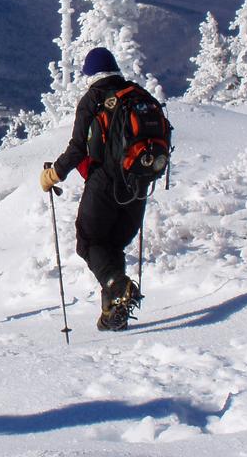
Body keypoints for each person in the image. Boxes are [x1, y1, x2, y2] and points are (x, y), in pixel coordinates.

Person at [40, 47, 148, 331]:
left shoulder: (94, 99)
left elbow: (78, 147)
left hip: (105, 183)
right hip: (137, 186)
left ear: (89, 74)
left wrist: (54, 174)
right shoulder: (136, 95)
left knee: (88, 241)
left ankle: (117, 286)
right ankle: (113, 310)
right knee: (112, 246)